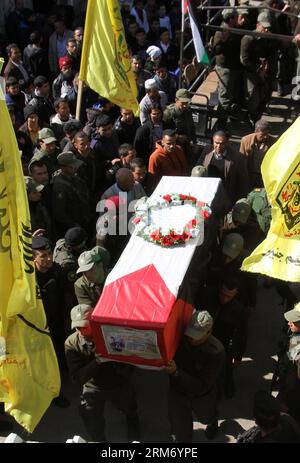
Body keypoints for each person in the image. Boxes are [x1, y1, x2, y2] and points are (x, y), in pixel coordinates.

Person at [64, 304, 139, 442]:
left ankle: (133, 425)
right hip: (93, 385)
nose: (81, 330)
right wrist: (97, 361)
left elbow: (130, 359)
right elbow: (76, 377)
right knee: (90, 416)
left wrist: (119, 364)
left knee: (129, 406)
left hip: (117, 380)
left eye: (84, 326)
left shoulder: (111, 333)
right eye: (77, 327)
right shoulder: (72, 343)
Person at [166, 310, 225, 441]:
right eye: (190, 334)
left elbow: (202, 385)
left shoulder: (216, 352)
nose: (191, 338)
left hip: (201, 396)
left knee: (207, 417)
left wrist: (176, 372)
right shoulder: (180, 337)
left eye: (196, 336)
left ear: (209, 332)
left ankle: (212, 422)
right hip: (178, 393)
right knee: (180, 432)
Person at [198, 130, 249, 206]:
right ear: (213, 141)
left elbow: (243, 180)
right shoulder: (207, 150)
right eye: (216, 143)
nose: (218, 146)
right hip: (208, 191)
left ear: (227, 143)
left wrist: (239, 199)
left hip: (225, 195)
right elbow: (198, 167)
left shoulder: (236, 157)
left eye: (222, 144)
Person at [52, 151, 91, 238]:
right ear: (63, 167)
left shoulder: (75, 178)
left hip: (83, 221)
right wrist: (73, 225)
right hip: (72, 229)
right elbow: (59, 213)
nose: (76, 167)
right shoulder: (59, 186)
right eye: (72, 166)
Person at [277, 303, 300, 423]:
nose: (289, 323)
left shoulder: (296, 345)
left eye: (294, 321)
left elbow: (292, 379)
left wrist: (286, 401)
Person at [239, 119, 276, 190]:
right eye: (263, 135)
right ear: (255, 132)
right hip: (250, 175)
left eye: (267, 134)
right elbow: (241, 160)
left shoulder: (273, 142)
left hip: (264, 176)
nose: (265, 137)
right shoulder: (245, 140)